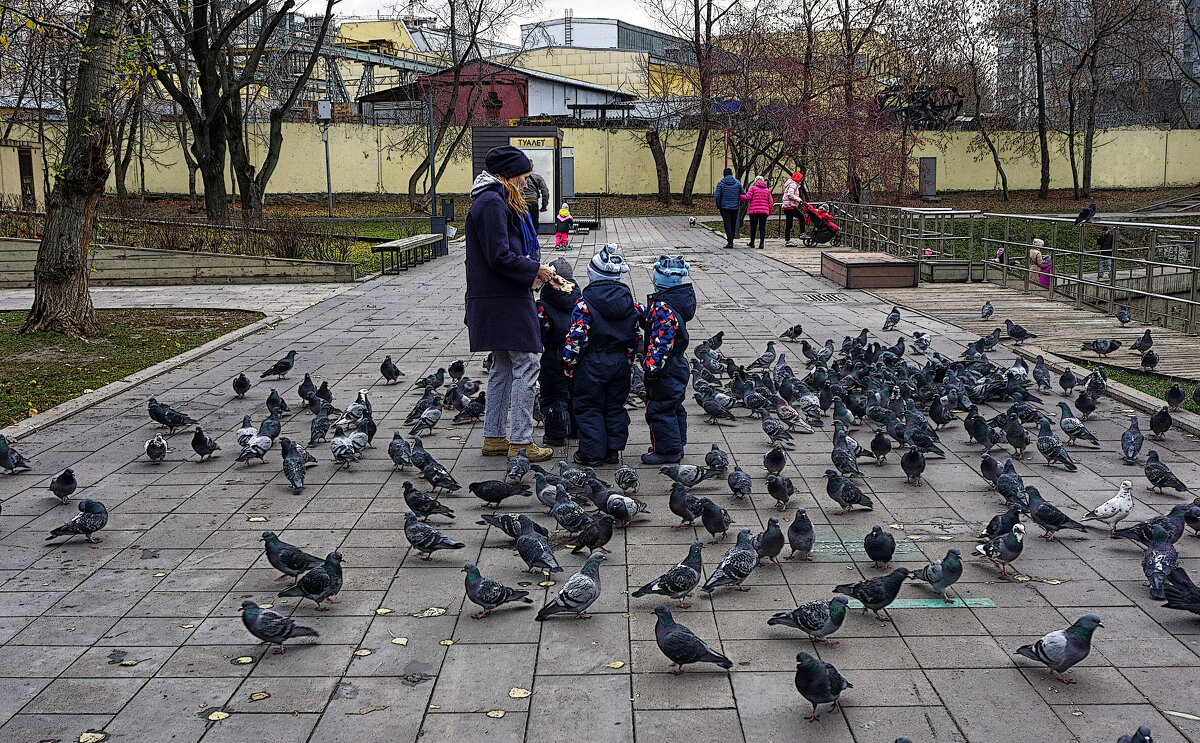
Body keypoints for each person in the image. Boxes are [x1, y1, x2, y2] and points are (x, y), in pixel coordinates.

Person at [464, 145, 556, 462]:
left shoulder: (494, 198)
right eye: (524, 178)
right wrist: (536, 270)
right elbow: (499, 256)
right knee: (528, 362)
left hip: (497, 296)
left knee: (503, 365)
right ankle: (520, 441)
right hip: (503, 297)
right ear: (509, 176)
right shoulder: (491, 202)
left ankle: (494, 437)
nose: (527, 184)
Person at [564, 244, 638, 466]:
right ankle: (613, 450)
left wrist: (569, 361)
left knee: (588, 405)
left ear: (592, 275)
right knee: (615, 405)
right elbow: (634, 333)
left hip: (591, 361)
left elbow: (577, 336)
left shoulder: (584, 304)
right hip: (619, 361)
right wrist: (630, 355)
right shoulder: (628, 303)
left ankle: (592, 453)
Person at [638, 255, 696, 465]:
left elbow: (662, 341)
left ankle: (667, 450)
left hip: (665, 368)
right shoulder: (674, 302)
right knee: (673, 407)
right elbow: (660, 324)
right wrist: (643, 313)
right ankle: (676, 444)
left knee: (660, 408)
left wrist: (651, 367)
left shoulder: (664, 307)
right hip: (677, 364)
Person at [537, 257, 580, 448]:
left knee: (554, 395)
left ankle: (556, 434)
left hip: (554, 354)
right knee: (576, 392)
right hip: (577, 355)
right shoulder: (580, 302)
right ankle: (576, 429)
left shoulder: (542, 305)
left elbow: (541, 331)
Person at [713, 168, 745, 249]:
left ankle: (730, 241)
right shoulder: (738, 183)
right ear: (731, 174)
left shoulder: (720, 183)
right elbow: (743, 193)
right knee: (733, 224)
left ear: (724, 174)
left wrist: (718, 205)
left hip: (724, 208)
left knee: (727, 224)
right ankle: (731, 239)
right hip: (735, 207)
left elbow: (717, 196)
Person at [741, 175, 775, 249]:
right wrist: (769, 211)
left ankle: (752, 242)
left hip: (754, 212)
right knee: (762, 227)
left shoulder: (753, 188)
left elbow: (747, 197)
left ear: (755, 181)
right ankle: (761, 243)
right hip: (764, 212)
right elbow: (771, 202)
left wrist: (739, 196)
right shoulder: (767, 190)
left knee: (753, 227)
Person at [521, 162, 550, 232]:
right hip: (533, 202)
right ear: (532, 166)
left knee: (523, 225)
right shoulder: (538, 178)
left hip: (522, 203)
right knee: (534, 225)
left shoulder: (518, 178)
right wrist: (544, 206)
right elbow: (545, 192)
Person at [782, 171, 805, 247]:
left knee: (789, 223)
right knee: (801, 217)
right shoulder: (793, 185)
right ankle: (802, 233)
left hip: (788, 206)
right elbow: (790, 194)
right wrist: (799, 200)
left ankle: (787, 240)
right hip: (790, 206)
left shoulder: (791, 184)